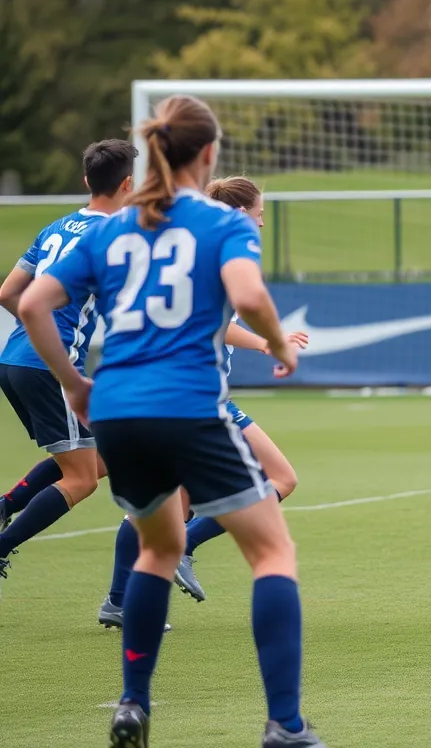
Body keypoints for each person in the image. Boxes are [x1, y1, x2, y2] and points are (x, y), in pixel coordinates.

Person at [17, 94, 325, 748]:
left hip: (119, 412)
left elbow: (32, 303)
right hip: (187, 405)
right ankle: (286, 725)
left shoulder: (108, 228)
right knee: (272, 550)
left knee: (158, 547)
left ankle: (133, 704)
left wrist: (74, 382)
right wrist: (275, 344)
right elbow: (247, 294)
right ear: (208, 153)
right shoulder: (221, 223)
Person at [99, 176, 308, 622]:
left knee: (162, 499)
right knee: (281, 479)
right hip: (195, 396)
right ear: (239, 215)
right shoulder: (223, 250)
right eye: (259, 215)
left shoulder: (184, 245)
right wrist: (270, 342)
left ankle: (120, 600)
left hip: (149, 392)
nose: (262, 225)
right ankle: (182, 550)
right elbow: (234, 311)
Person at [0, 140, 135, 571]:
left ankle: (5, 505)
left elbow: (8, 293)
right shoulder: (112, 239)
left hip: (14, 360)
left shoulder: (56, 227)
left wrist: (34, 328)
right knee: (81, 477)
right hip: (50, 368)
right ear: (128, 184)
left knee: (102, 456)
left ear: (86, 181)